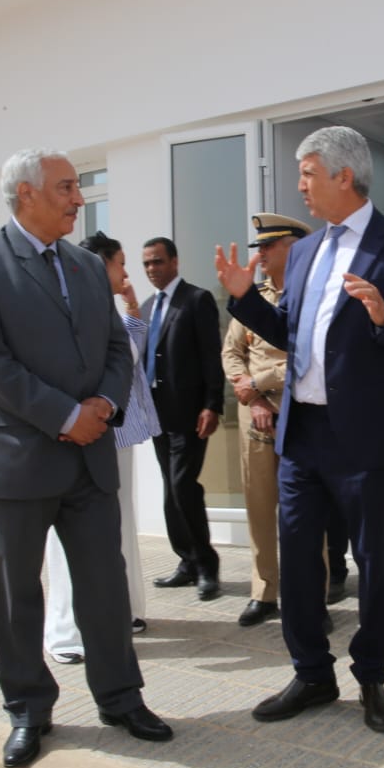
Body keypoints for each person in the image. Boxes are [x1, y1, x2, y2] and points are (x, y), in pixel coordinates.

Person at [215, 125, 384, 733]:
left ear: (345, 176)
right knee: (298, 560)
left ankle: (372, 676)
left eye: (308, 174)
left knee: (373, 564)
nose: (301, 186)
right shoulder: (307, 251)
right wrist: (245, 298)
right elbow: (290, 331)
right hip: (303, 435)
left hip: (367, 439)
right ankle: (312, 673)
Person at [0, 148, 171, 768]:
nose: (79, 198)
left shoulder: (86, 266)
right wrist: (65, 415)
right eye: (67, 187)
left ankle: (121, 699)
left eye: (78, 186)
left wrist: (102, 402)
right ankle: (28, 709)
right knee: (18, 592)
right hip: (15, 457)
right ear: (25, 194)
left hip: (89, 458)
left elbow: (117, 348)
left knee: (105, 586)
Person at [43, 232, 159, 663]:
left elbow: (129, 356)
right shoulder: (66, 307)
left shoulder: (104, 308)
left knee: (118, 527)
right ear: (96, 265)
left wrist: (131, 309)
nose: (126, 273)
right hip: (77, 435)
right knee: (68, 536)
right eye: (120, 263)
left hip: (115, 435)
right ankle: (65, 632)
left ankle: (123, 610)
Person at [221, 213, 311, 627]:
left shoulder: (310, 295)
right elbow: (231, 352)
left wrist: (260, 382)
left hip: (300, 410)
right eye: (259, 246)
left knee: (306, 512)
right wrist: (251, 394)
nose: (260, 254)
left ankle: (311, 596)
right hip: (255, 417)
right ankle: (264, 591)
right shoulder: (253, 297)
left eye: (269, 246)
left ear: (294, 248)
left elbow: (308, 357)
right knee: (259, 508)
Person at [142, 236, 226, 601]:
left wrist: (212, 404)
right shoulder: (147, 307)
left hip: (190, 414)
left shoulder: (196, 299)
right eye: (147, 263)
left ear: (174, 262)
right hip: (156, 414)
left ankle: (207, 565)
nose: (151, 269)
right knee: (170, 489)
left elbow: (211, 355)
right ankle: (187, 562)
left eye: (157, 261)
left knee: (182, 485)